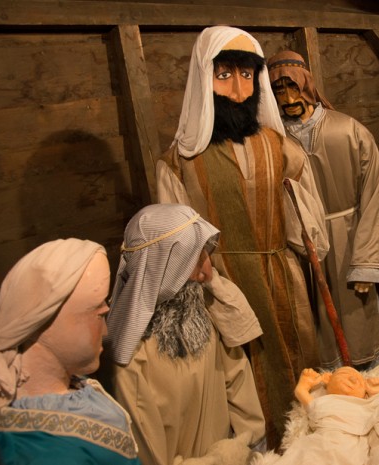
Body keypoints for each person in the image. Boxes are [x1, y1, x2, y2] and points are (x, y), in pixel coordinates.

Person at [155, 26, 327, 446]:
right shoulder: (179, 161)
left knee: (297, 372)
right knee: (239, 386)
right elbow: (174, 242)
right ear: (204, 78)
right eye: (224, 74)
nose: (237, 89)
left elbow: (309, 222)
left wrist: (307, 245)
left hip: (282, 281)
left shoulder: (278, 146)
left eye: (247, 75)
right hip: (218, 290)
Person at [106, 204, 266, 465]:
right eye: (193, 259)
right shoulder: (132, 359)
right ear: (161, 267)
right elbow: (150, 453)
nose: (207, 272)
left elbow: (237, 378)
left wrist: (251, 443)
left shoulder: (203, 311)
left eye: (205, 254)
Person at [267, 50, 379, 369]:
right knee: (312, 325)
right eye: (279, 90)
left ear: (308, 85)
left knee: (358, 321)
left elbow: (374, 198)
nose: (288, 98)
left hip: (348, 241)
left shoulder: (349, 131)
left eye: (293, 87)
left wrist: (366, 262)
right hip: (299, 246)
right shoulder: (271, 141)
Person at [0, 239, 140, 465]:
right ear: (47, 321)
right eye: (99, 314)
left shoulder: (74, 386)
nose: (105, 330)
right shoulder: (39, 453)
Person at [253, 367, 379, 465]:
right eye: (344, 374)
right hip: (320, 441)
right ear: (328, 379)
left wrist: (374, 393)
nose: (352, 378)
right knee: (306, 457)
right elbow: (300, 393)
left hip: (351, 445)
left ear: (364, 393)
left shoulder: (363, 405)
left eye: (359, 381)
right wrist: (305, 383)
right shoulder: (324, 401)